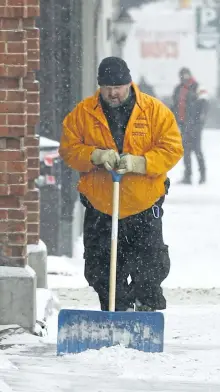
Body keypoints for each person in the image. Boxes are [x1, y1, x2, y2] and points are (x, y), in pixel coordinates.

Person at [59, 57, 184, 312]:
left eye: (118, 87)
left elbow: (172, 148)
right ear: (99, 87)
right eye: (107, 88)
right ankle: (117, 309)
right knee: (100, 267)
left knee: (149, 265)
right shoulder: (83, 114)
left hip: (143, 203)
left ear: (129, 84)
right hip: (101, 205)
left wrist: (142, 163)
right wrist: (94, 156)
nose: (113, 93)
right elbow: (69, 149)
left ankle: (145, 307)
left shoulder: (154, 112)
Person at [172, 67, 207, 184]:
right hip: (183, 124)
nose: (184, 77)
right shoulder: (178, 89)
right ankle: (188, 176)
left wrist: (199, 121)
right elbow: (175, 105)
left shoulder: (198, 87)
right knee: (185, 150)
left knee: (197, 149)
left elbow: (204, 104)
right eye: (182, 75)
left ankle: (202, 175)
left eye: (186, 75)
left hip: (195, 125)